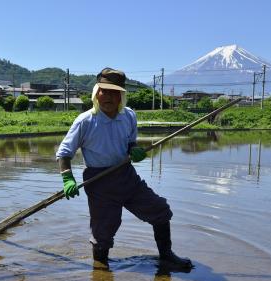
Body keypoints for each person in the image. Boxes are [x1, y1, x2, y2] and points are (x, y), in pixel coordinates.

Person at [55, 67, 192, 269]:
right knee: (103, 233)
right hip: (99, 181)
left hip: (126, 176)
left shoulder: (128, 116)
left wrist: (134, 151)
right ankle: (101, 271)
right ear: (96, 93)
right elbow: (64, 152)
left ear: (121, 96)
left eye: (114, 92)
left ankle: (166, 255)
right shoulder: (85, 121)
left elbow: (130, 144)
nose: (108, 96)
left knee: (160, 210)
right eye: (104, 91)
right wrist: (68, 178)